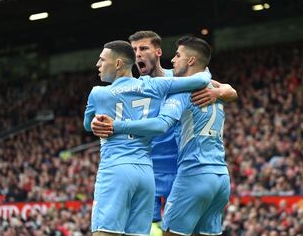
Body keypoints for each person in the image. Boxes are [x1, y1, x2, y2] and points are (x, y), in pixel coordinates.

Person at [91, 31, 237, 235]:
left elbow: (225, 89)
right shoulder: (131, 88)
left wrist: (221, 92)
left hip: (181, 171)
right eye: (133, 51)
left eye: (143, 49)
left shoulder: (176, 80)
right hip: (149, 171)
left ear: (158, 52)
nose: (137, 55)